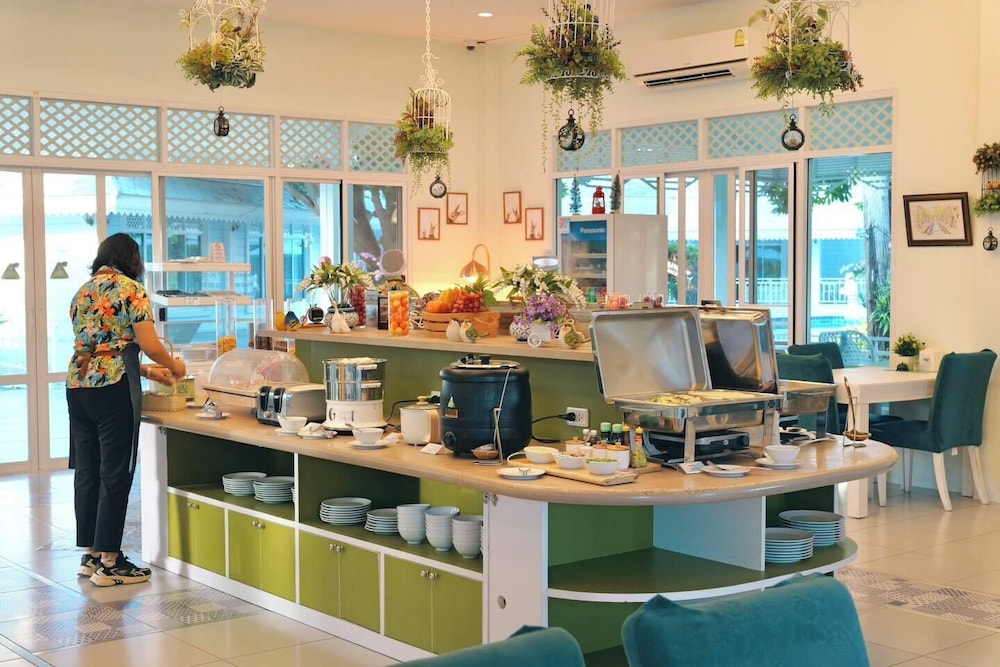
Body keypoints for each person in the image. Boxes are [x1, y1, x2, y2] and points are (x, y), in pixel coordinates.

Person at [66, 233, 186, 586]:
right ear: (132, 259)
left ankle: (90, 555)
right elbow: (149, 344)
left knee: (87, 470)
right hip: (114, 387)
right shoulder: (131, 290)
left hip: (78, 385)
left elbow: (100, 346)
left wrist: (147, 372)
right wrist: (173, 365)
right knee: (116, 472)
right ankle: (111, 561)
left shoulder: (83, 291)